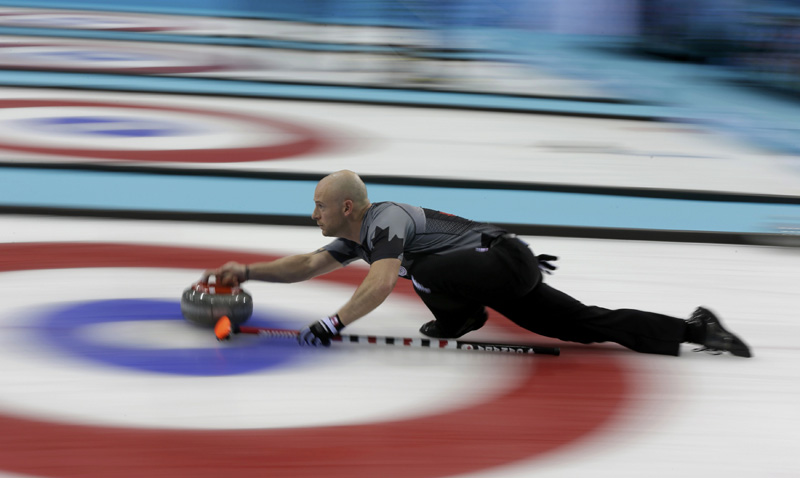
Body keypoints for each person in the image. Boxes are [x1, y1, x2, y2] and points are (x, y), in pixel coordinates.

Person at [201, 170, 752, 358]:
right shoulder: (359, 236)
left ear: (347, 205)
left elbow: (382, 280)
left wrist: (333, 324)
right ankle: (695, 330)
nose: (312, 212)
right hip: (499, 269)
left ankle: (462, 317)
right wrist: (245, 272)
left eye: (318, 203)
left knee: (419, 270)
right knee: (583, 324)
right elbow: (306, 263)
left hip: (500, 260)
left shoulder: (385, 220)